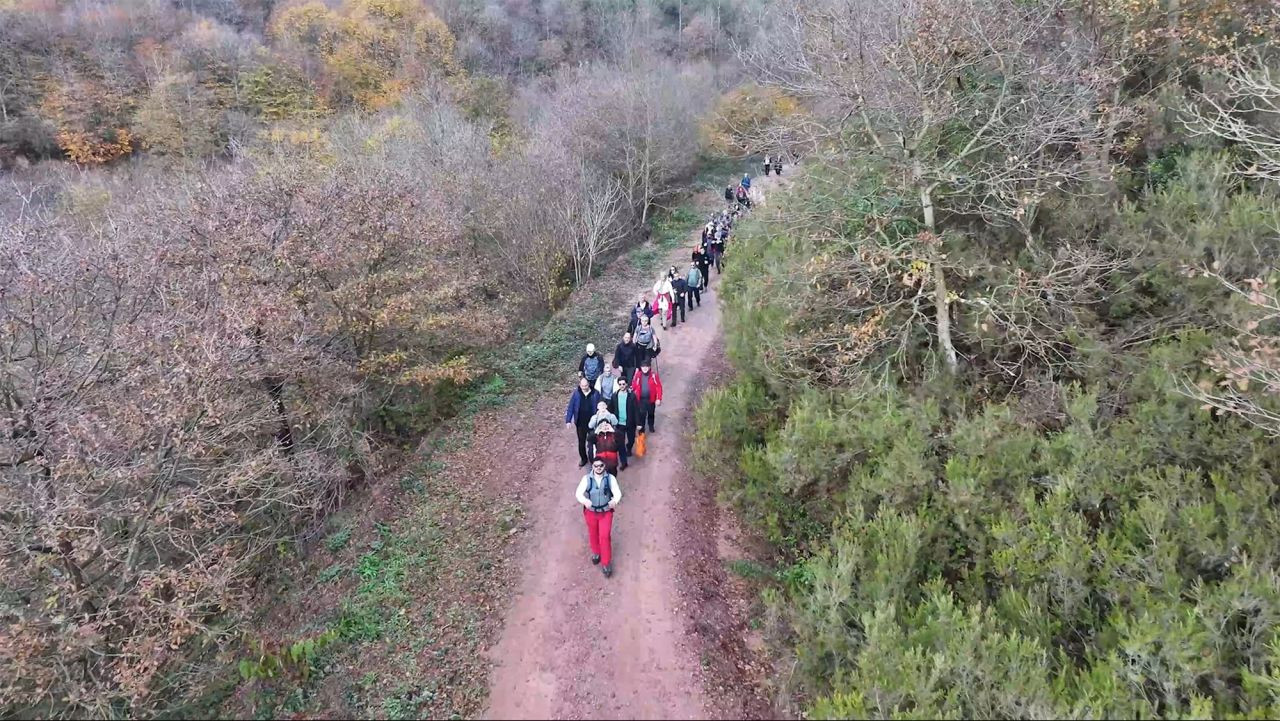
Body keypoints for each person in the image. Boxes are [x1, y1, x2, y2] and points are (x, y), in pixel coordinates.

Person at [576, 458, 621, 577]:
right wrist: (585, 501)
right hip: (591, 512)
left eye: (601, 465)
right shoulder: (586, 479)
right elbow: (578, 493)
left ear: (604, 466)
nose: (598, 468)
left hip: (605, 512)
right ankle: (596, 552)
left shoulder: (610, 479)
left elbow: (617, 492)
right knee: (593, 533)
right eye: (596, 466)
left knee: (604, 536)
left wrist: (615, 501)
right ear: (593, 467)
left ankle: (606, 563)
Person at [564, 377, 601, 468]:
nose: (584, 387)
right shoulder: (576, 393)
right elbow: (571, 406)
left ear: (588, 384)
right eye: (582, 386)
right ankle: (583, 458)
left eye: (586, 385)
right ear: (580, 385)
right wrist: (568, 420)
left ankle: (594, 458)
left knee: (594, 441)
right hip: (580, 423)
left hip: (592, 423)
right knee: (581, 442)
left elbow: (600, 406)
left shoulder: (595, 393)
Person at [609, 377, 639, 455]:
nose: (622, 386)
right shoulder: (614, 396)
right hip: (619, 423)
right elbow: (611, 408)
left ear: (626, 384)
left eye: (623, 384)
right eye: (620, 384)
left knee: (631, 440)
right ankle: (623, 456)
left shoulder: (632, 396)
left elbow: (636, 410)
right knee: (620, 440)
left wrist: (638, 423)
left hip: (630, 423)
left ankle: (629, 448)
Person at [631, 362, 663, 434]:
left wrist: (658, 398)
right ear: (641, 368)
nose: (645, 368)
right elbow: (634, 384)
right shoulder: (638, 375)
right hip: (641, 399)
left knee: (651, 413)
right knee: (642, 414)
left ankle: (651, 426)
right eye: (643, 367)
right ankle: (642, 429)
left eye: (646, 366)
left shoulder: (654, 375)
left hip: (651, 399)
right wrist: (631, 389)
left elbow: (658, 387)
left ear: (649, 367)